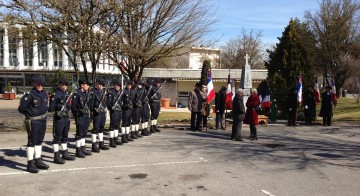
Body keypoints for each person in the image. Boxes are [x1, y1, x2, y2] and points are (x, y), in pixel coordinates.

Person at [18, 76, 50, 173]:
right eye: (38, 84)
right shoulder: (29, 95)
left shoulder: (44, 94)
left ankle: (38, 160)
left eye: (42, 84)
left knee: (40, 141)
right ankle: (30, 163)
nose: (40, 86)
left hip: (42, 120)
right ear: (34, 84)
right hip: (33, 122)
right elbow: (21, 108)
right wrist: (30, 114)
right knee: (32, 141)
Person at [48, 78, 76, 164]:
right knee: (57, 138)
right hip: (59, 118)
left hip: (66, 118)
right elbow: (51, 109)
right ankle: (56, 156)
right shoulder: (55, 95)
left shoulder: (67, 95)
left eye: (66, 85)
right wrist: (58, 107)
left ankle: (65, 153)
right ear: (59, 85)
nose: (64, 87)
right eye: (62, 85)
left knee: (65, 136)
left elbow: (69, 107)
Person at [71, 79, 93, 158]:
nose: (88, 86)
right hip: (80, 116)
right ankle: (78, 149)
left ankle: (83, 148)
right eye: (86, 84)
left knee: (84, 132)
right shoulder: (77, 94)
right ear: (81, 85)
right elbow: (73, 107)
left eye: (88, 85)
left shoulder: (87, 93)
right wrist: (77, 113)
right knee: (79, 133)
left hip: (86, 115)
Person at [89, 79, 110, 152]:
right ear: (96, 85)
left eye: (101, 85)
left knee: (101, 128)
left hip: (102, 113)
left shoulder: (103, 93)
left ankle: (101, 143)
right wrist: (94, 110)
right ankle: (94, 145)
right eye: (99, 84)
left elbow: (105, 103)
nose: (100, 86)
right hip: (97, 113)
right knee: (95, 129)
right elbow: (91, 104)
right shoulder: (94, 93)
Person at [106, 79, 123, 147]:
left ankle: (116, 138)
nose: (117, 87)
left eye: (118, 86)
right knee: (112, 125)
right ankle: (111, 140)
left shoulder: (120, 93)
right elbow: (109, 103)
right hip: (114, 111)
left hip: (119, 110)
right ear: (114, 86)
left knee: (117, 125)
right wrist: (111, 108)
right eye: (116, 85)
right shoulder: (111, 93)